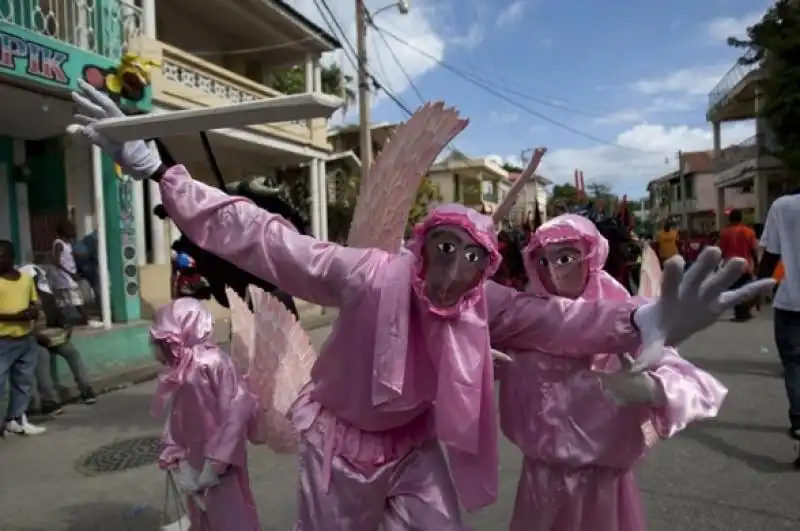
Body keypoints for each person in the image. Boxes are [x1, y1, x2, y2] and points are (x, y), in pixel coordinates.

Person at [67, 81, 772, 529]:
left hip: (413, 448)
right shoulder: (364, 273)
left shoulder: (480, 304)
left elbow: (554, 321)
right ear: (421, 247)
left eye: (473, 261)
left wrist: (647, 322)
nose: (455, 272)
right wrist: (165, 172)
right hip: (339, 445)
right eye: (445, 252)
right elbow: (263, 239)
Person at [495, 215, 727, 531]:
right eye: (542, 260)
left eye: (565, 258)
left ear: (590, 256)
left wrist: (655, 388)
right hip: (538, 482)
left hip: (602, 488)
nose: (553, 272)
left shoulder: (623, 313)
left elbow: (697, 384)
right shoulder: (525, 318)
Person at [151, 298, 261, 530]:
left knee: (227, 509)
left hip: (219, 456)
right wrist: (175, 450)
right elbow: (179, 412)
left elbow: (236, 411)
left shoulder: (214, 362)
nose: (156, 348)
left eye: (162, 341)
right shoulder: (183, 368)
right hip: (194, 454)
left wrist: (217, 462)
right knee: (201, 509)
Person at [20, 264, 97, 406]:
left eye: (37, 279)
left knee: (72, 353)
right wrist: (37, 337)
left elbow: (57, 317)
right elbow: (23, 327)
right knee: (42, 358)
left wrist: (65, 328)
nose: (36, 282)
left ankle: (86, 389)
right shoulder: (20, 300)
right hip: (35, 340)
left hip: (52, 337)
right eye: (32, 279)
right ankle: (50, 400)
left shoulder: (46, 296)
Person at [758, 191, 800, 441]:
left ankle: (798, 423)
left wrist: (756, 288)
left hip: (792, 300)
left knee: (794, 364)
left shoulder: (783, 206)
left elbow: (771, 255)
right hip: (789, 302)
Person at [0, 240, 47, 435]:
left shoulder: (26, 279)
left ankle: (16, 419)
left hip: (25, 338)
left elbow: (34, 302)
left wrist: (32, 312)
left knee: (24, 382)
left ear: (12, 257)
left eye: (1, 255)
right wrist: (17, 316)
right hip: (2, 340)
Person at [719, 209, 759, 321]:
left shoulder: (724, 233)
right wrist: (756, 264)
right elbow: (753, 250)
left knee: (735, 290)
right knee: (746, 288)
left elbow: (721, 251)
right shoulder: (749, 232)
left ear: (730, 219)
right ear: (741, 218)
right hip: (745, 266)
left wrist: (719, 266)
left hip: (730, 266)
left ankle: (740, 312)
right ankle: (743, 312)